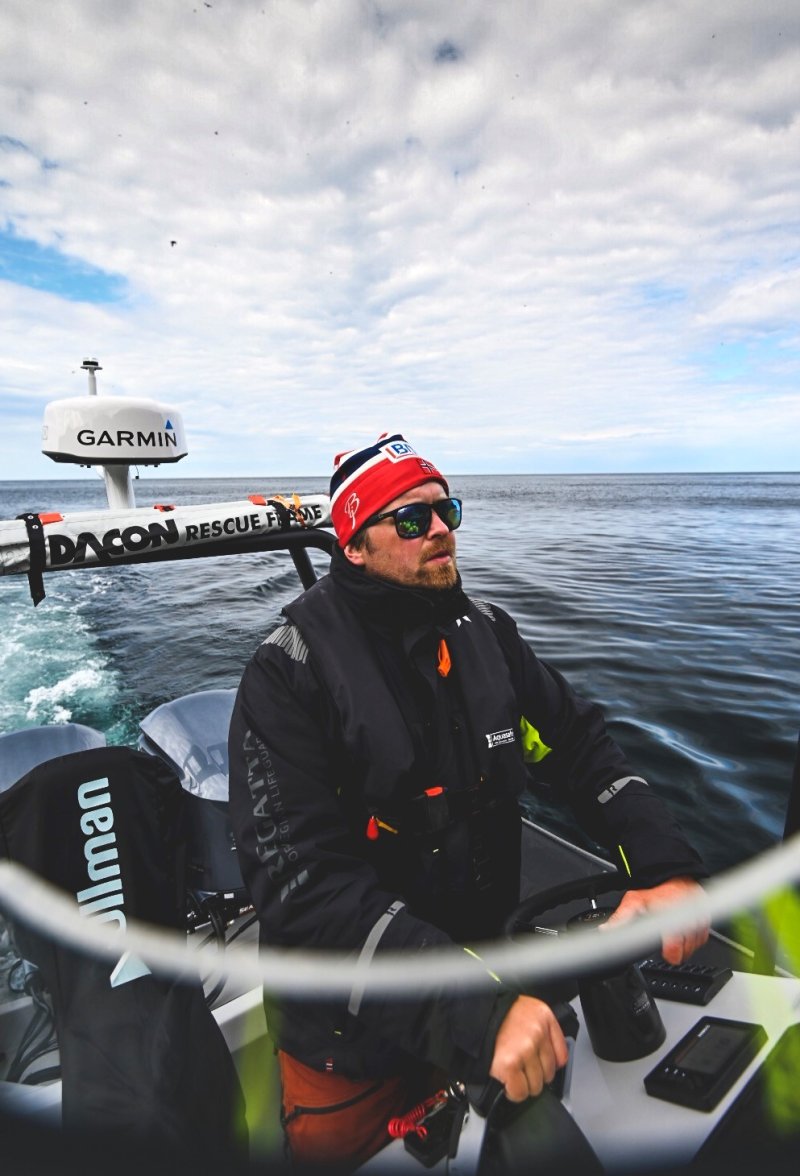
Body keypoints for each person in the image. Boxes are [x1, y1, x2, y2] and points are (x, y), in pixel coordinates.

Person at [228, 433, 708, 1169]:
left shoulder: (487, 633)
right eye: (411, 520)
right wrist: (473, 1012)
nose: (440, 528)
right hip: (353, 1049)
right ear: (354, 544)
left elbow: (581, 748)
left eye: (444, 508)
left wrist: (662, 862)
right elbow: (305, 889)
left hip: (493, 999)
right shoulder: (288, 674)